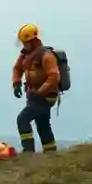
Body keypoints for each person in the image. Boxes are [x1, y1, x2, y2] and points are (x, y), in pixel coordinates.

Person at [12, 23, 60, 153]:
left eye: (25, 42)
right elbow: (17, 68)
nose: (24, 45)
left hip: (45, 96)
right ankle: (51, 152)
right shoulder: (26, 55)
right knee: (43, 124)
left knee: (23, 119)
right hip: (34, 95)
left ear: (33, 40)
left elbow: (54, 76)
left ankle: (28, 151)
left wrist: (40, 91)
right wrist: (16, 82)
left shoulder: (46, 55)